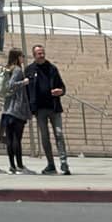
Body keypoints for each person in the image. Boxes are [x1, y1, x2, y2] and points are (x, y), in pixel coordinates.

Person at [23, 44, 70, 175]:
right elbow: (26, 91)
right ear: (34, 55)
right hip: (39, 109)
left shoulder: (52, 68)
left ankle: (64, 162)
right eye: (39, 53)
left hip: (54, 107)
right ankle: (50, 164)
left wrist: (60, 91)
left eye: (43, 52)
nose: (42, 55)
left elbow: (62, 87)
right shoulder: (29, 70)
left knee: (59, 134)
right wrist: (30, 108)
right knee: (45, 137)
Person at [0, 50, 31, 174]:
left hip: (7, 109)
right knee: (16, 139)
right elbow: (11, 85)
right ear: (17, 57)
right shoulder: (17, 70)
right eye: (22, 56)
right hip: (16, 109)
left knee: (10, 139)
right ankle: (19, 166)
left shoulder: (8, 68)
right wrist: (24, 82)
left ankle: (12, 166)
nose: (23, 58)